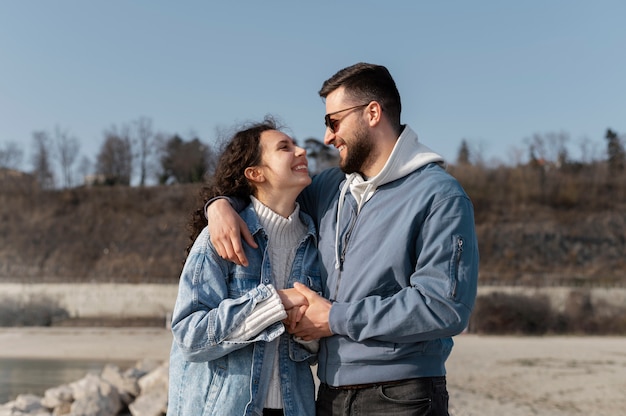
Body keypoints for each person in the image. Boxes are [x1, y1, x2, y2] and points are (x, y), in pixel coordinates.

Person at [207, 63, 479, 416]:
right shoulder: (328, 189)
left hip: (403, 396)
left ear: (372, 113)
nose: (327, 137)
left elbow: (444, 307)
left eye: (333, 122)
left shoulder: (439, 196)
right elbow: (265, 194)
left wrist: (336, 317)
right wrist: (220, 205)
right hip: (330, 394)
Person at [167, 117, 322, 416]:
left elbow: (309, 350)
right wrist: (276, 302)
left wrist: (309, 333)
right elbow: (190, 336)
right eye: (284, 147)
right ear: (255, 173)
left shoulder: (314, 242)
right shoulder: (221, 236)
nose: (301, 151)